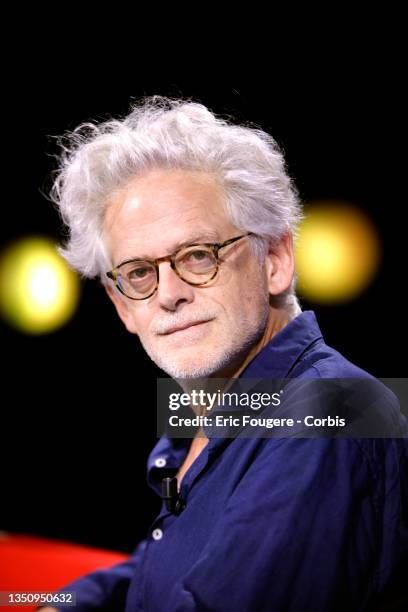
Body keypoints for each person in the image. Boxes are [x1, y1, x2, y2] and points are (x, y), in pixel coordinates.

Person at [40, 96, 407, 611]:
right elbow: (153, 577)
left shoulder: (334, 410)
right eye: (140, 273)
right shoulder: (209, 419)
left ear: (275, 259)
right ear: (121, 305)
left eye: (197, 255)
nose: (168, 294)